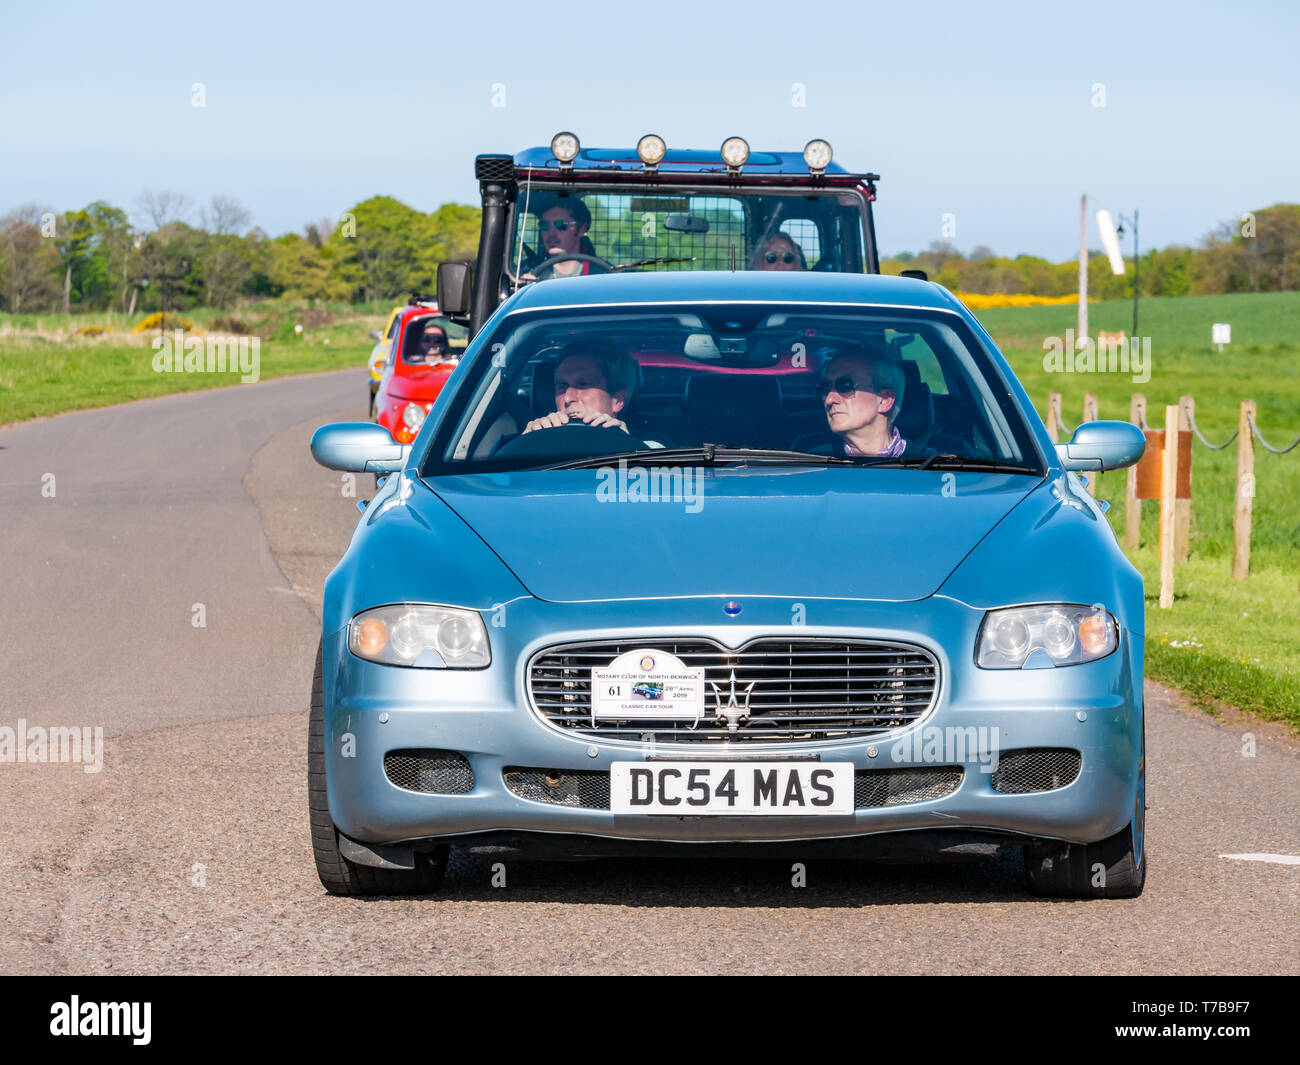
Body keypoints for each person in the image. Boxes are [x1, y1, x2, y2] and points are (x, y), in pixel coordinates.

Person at [522, 338, 637, 434]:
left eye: (583, 385)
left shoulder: (650, 451)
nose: (567, 398)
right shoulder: (541, 442)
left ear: (618, 401)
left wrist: (625, 448)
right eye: (562, 386)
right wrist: (529, 442)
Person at [818, 345, 908, 457]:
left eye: (845, 386)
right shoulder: (810, 462)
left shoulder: (932, 464)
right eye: (825, 388)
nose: (829, 399)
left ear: (885, 400)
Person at [522, 200, 598, 279]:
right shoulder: (524, 271)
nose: (551, 233)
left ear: (581, 229)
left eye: (561, 225)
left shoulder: (601, 275)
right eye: (544, 225)